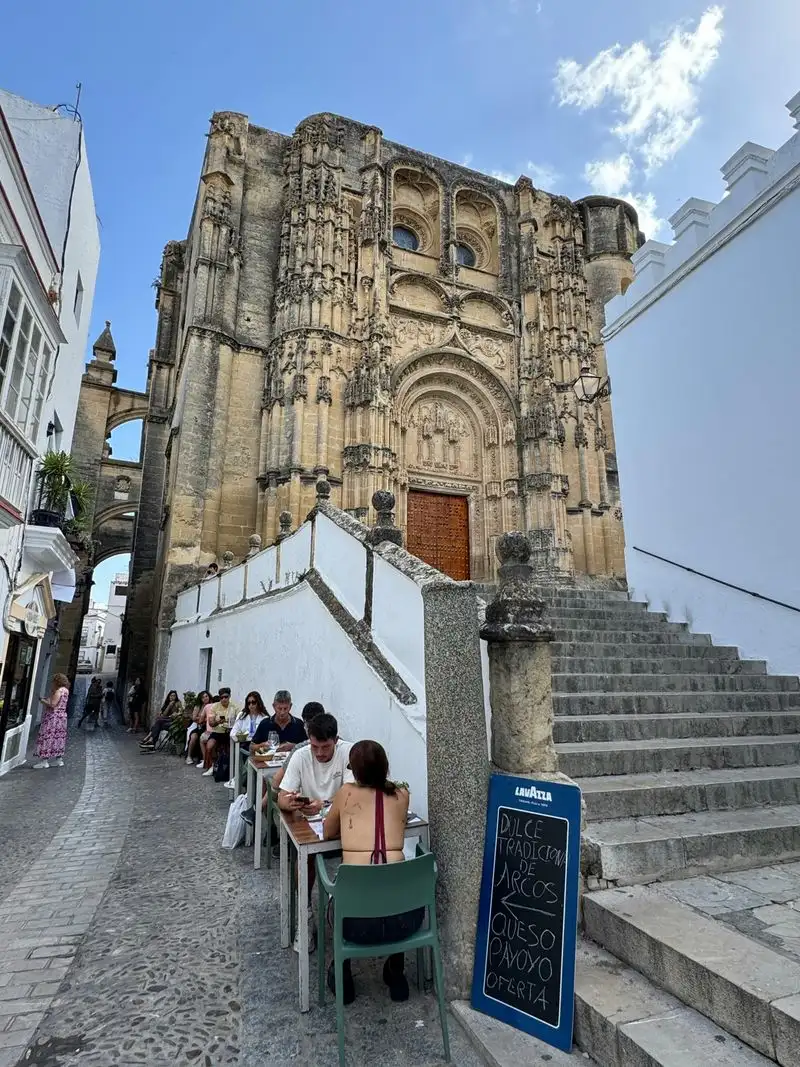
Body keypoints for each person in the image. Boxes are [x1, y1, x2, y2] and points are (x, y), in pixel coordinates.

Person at [323, 739, 421, 1004]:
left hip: (355, 924)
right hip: (406, 922)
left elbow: (328, 831)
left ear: (354, 772)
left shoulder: (346, 793)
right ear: (386, 767)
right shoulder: (402, 794)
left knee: (339, 893)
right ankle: (396, 972)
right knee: (393, 885)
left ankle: (342, 973)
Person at [279, 713, 353, 951]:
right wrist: (288, 803)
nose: (319, 753)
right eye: (314, 746)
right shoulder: (300, 756)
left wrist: (324, 803)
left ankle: (348, 909)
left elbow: (352, 792)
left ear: (336, 740)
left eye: (325, 747)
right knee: (304, 857)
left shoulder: (348, 752)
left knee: (359, 847)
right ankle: (306, 914)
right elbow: (281, 796)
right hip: (310, 825)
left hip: (343, 824)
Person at [241, 701, 325, 828]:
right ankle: (258, 812)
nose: (282, 711)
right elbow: (252, 746)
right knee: (270, 782)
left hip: (305, 795)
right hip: (315, 789)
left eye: (285, 708)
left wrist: (293, 747)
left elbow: (277, 780)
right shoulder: (266, 723)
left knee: (273, 786)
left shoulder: (300, 747)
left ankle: (261, 816)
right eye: (279, 708)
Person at [33, 673, 71, 769]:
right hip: (62, 718)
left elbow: (53, 704)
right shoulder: (66, 690)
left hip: (53, 717)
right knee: (58, 738)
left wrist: (42, 700)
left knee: (48, 737)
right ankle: (59, 760)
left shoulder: (58, 691)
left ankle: (44, 761)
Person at [201, 687, 240, 776]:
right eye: (221, 697)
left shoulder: (235, 706)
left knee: (233, 749)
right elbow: (211, 723)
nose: (223, 699)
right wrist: (217, 721)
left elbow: (240, 720)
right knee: (209, 746)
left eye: (225, 697)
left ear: (229, 696)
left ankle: (231, 769)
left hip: (230, 732)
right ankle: (213, 765)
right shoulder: (215, 706)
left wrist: (233, 725)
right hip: (217, 731)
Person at [186, 690, 212, 765]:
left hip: (208, 727)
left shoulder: (212, 705)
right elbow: (194, 718)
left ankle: (204, 759)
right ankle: (189, 756)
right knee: (193, 737)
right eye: (203, 697)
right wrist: (203, 719)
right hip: (199, 727)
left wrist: (201, 718)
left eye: (206, 696)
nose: (205, 698)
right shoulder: (198, 706)